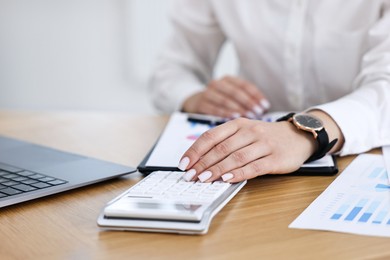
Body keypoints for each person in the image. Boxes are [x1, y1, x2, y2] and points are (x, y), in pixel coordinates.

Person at [150, 0, 390, 183]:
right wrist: (194, 97)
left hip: (364, 159)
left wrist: (303, 132)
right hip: (255, 171)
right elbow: (170, 69)